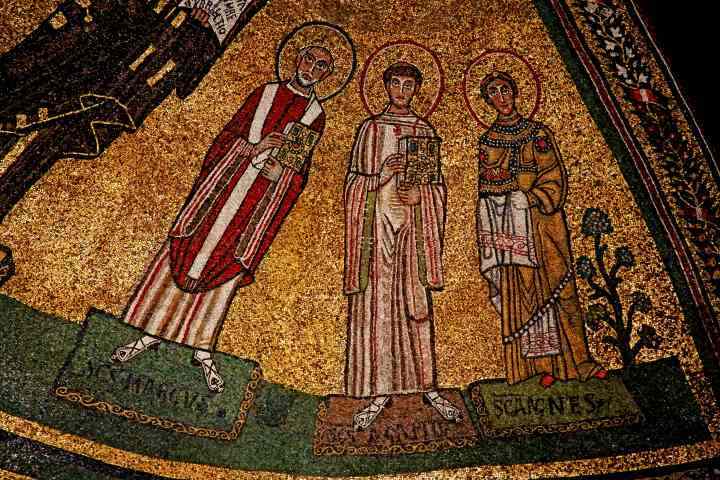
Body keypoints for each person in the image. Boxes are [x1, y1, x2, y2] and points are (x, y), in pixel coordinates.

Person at [109, 45, 334, 393]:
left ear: (326, 75)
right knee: (189, 246)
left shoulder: (315, 115)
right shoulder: (265, 93)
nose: (312, 69)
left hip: (255, 206)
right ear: (297, 58)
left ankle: (202, 349)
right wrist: (253, 148)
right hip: (220, 191)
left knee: (228, 262)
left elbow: (298, 171)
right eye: (309, 59)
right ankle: (148, 333)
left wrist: (282, 175)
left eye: (321, 66)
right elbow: (226, 137)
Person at [0, 0, 266, 222]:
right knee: (29, 95)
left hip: (144, 62)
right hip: (102, 34)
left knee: (55, 135)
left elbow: (212, 43)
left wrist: (198, 30)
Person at [343, 62, 461, 430]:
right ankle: (379, 391)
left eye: (409, 85)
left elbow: (436, 187)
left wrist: (421, 196)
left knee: (416, 304)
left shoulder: (424, 131)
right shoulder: (370, 129)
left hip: (413, 231)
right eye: (395, 83)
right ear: (385, 86)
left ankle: (427, 387)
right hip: (376, 229)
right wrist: (380, 177)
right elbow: (352, 185)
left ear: (417, 89)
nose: (402, 90)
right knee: (378, 306)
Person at [474, 71, 607, 388]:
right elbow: (485, 187)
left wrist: (533, 197)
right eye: (494, 93)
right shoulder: (488, 141)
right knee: (523, 295)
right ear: (487, 100)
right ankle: (536, 368)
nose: (502, 98)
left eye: (505, 89)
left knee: (562, 290)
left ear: (515, 92)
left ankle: (580, 363)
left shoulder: (537, 134)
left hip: (544, 225)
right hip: (511, 230)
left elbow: (554, 176)